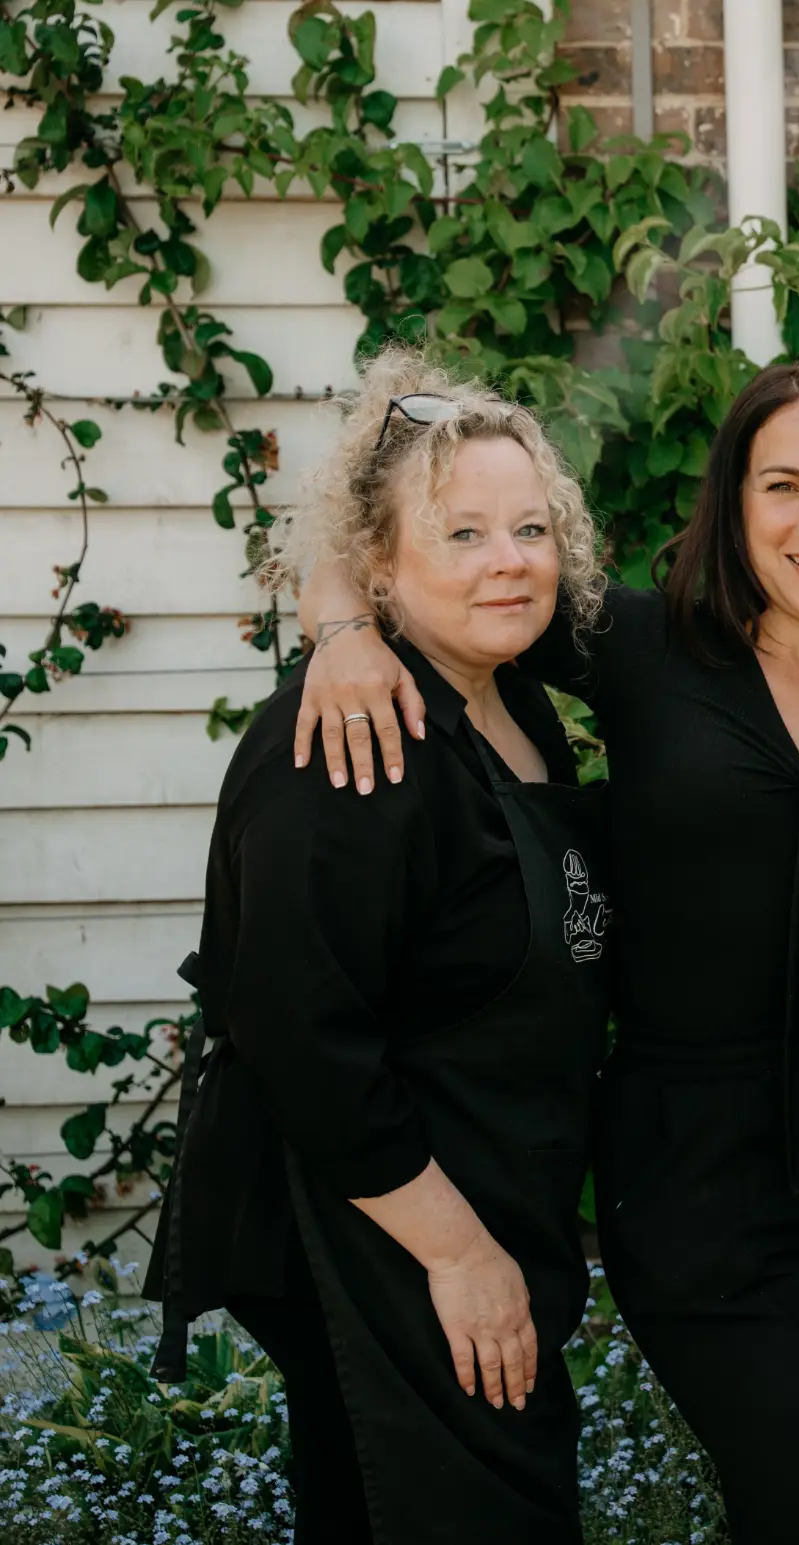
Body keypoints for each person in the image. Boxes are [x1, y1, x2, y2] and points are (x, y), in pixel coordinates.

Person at [288, 362, 799, 1544]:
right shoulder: (639, 643)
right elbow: (419, 555)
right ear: (731, 504)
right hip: (695, 1173)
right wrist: (340, 626)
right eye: (781, 485)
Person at [151, 349, 612, 1544]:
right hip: (381, 1229)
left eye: (530, 526)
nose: (509, 559)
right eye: (462, 534)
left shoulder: (512, 695)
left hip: (486, 1196)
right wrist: (459, 1257)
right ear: (382, 570)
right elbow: (302, 1032)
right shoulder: (353, 741)